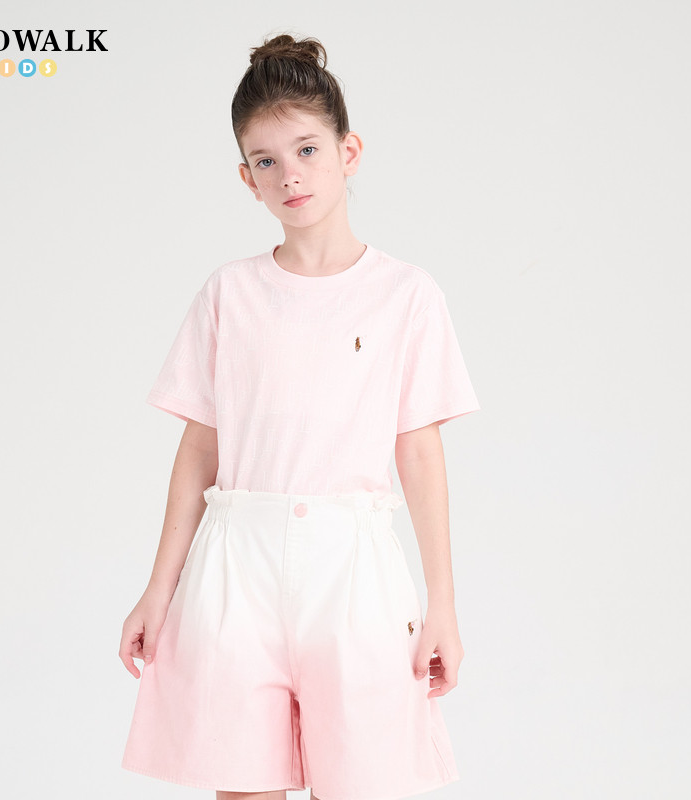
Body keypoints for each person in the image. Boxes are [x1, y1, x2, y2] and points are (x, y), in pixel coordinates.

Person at [119, 32, 481, 800]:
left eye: (308, 150)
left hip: (354, 575)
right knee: (242, 787)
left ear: (349, 152)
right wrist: (158, 588)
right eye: (266, 160)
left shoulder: (407, 295)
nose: (289, 174)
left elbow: (419, 451)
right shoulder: (230, 293)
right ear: (246, 178)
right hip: (235, 572)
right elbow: (200, 449)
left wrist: (442, 603)